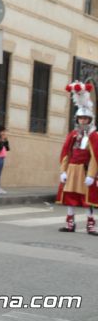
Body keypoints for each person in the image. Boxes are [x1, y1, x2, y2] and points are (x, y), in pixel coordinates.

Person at [57, 81, 98, 235]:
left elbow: (95, 157)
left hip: (85, 170)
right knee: (70, 197)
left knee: (88, 199)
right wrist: (63, 170)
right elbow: (66, 152)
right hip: (72, 169)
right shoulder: (73, 134)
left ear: (90, 120)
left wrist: (91, 175)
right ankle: (70, 223)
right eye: (80, 119)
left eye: (85, 119)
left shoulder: (94, 136)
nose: (82, 121)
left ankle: (91, 225)